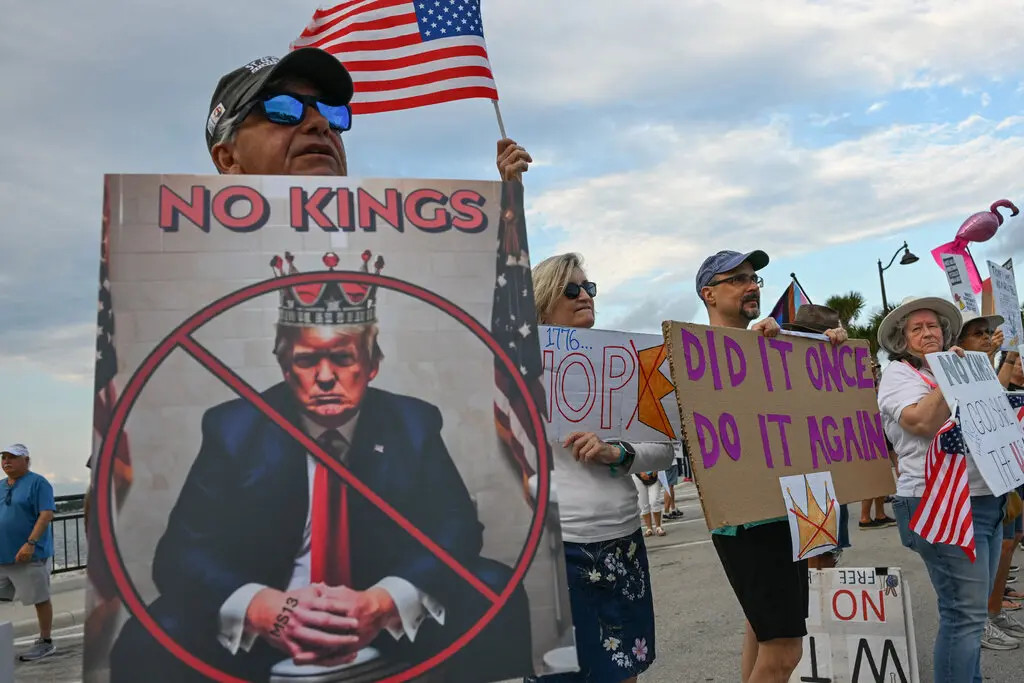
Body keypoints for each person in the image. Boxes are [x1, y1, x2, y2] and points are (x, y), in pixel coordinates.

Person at [110, 48, 532, 683]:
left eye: (334, 113)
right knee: (147, 640)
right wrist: (260, 607)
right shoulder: (234, 426)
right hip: (270, 638)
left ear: (374, 360)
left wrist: (386, 598)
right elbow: (182, 555)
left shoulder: (412, 420)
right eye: (282, 109)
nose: (318, 125)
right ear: (224, 157)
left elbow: (454, 529)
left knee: (499, 588)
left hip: (385, 627)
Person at [697, 251, 848, 683]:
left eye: (755, 278)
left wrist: (824, 356)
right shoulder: (696, 356)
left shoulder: (777, 348)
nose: (751, 286)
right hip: (747, 515)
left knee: (762, 633)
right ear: (708, 293)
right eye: (737, 279)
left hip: (791, 506)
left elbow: (814, 420)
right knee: (784, 650)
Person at [527, 252, 675, 683]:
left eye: (588, 288)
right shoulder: (517, 370)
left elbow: (664, 450)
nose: (584, 296)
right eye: (571, 289)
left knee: (624, 671)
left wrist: (618, 452)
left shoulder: (628, 363)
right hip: (557, 546)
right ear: (541, 301)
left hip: (622, 539)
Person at [877, 296, 1014, 677]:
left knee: (972, 612)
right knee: (965, 615)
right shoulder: (898, 375)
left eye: (933, 326)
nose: (927, 333)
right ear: (902, 340)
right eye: (916, 329)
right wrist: (952, 375)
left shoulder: (959, 365)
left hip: (984, 499)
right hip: (938, 502)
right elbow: (920, 422)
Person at [954, 311, 1024, 619]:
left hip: (1002, 471)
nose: (986, 337)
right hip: (978, 482)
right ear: (960, 341)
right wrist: (1008, 357)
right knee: (1001, 547)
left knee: (1009, 541)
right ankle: (986, 616)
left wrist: (1006, 354)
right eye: (978, 333)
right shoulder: (957, 373)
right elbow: (991, 402)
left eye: (987, 332)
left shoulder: (983, 367)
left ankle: (992, 613)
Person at [781, 304, 852, 569]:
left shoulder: (839, 367)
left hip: (827, 471)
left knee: (825, 552)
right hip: (794, 470)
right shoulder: (779, 364)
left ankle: (819, 604)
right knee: (803, 553)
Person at [0, 444, 56, 662]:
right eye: (4, 458)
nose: (6, 461)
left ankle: (45, 641)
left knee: (39, 598)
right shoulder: (2, 486)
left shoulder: (38, 483)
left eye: (12, 457)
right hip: (3, 556)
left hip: (29, 555)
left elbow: (46, 514)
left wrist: (30, 543)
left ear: (26, 460)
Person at [634, 471, 666, 537]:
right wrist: (640, 472)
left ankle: (658, 527)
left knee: (654, 500)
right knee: (643, 502)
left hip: (654, 473)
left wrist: (656, 468)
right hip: (637, 474)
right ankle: (649, 528)